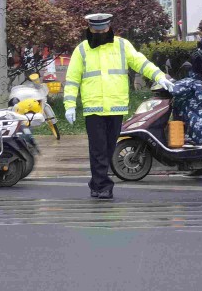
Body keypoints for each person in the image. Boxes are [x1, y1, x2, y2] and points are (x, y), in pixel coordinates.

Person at [64, 13, 174, 200]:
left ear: (109, 27)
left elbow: (141, 63)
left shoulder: (122, 45)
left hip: (116, 106)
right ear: (89, 29)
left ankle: (96, 182)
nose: (100, 33)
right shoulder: (82, 50)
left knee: (108, 149)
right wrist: (69, 105)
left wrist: (159, 76)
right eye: (96, 30)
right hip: (94, 108)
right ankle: (102, 186)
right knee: (98, 149)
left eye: (103, 29)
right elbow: (72, 79)